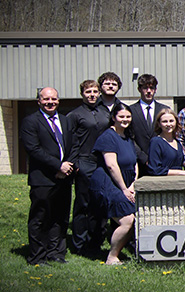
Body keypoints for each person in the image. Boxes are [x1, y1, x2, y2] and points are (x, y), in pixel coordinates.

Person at [21, 87, 76, 265]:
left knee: (60, 217)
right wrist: (58, 166)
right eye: (46, 99)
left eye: (53, 99)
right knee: (40, 218)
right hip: (43, 179)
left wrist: (68, 167)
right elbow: (34, 149)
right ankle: (37, 256)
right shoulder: (30, 122)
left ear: (58, 100)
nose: (50, 102)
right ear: (39, 101)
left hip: (64, 178)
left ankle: (56, 253)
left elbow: (74, 146)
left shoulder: (65, 121)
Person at [89, 103, 137, 265]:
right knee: (127, 220)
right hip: (108, 184)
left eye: (128, 116)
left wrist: (132, 185)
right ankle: (112, 257)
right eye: (121, 116)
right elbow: (111, 165)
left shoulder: (128, 136)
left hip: (126, 184)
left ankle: (117, 253)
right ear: (114, 118)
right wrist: (124, 189)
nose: (125, 119)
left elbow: (134, 162)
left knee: (132, 219)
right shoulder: (108, 137)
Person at [66, 80, 108, 257]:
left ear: (99, 93)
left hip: (103, 162)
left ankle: (96, 241)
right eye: (88, 92)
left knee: (100, 204)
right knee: (83, 204)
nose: (92, 94)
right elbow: (69, 141)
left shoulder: (104, 112)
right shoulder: (75, 115)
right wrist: (75, 163)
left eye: (95, 91)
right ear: (82, 94)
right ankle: (79, 243)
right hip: (84, 161)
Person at [130, 74, 171, 174]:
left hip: (161, 161)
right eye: (145, 88)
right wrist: (143, 158)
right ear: (139, 89)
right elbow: (130, 138)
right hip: (139, 163)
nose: (149, 91)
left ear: (155, 89)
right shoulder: (131, 110)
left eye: (151, 88)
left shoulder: (164, 109)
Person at [147, 108, 185, 176]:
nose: (168, 124)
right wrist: (181, 172)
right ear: (159, 124)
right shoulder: (156, 142)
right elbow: (154, 169)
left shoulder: (178, 142)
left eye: (171, 121)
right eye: (165, 121)